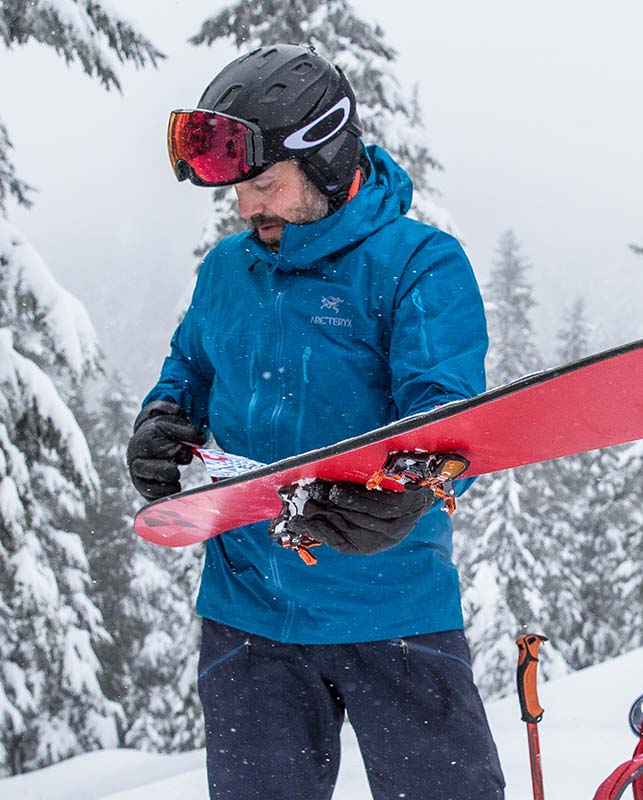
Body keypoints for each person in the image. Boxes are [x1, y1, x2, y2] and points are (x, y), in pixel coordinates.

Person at [127, 44, 505, 800]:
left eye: (264, 184)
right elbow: (190, 372)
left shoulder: (417, 264)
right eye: (237, 189)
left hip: (392, 610)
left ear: (328, 160)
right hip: (248, 623)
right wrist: (163, 421)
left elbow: (440, 405)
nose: (246, 207)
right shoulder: (226, 271)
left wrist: (406, 488)